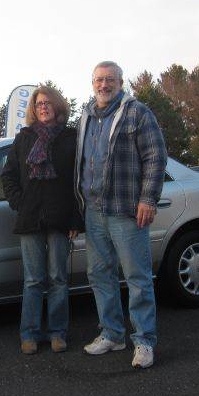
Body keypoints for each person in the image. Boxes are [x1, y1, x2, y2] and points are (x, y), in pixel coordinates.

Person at [75, 61, 167, 369]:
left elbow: (156, 156)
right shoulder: (86, 116)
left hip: (126, 210)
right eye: (99, 79)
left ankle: (144, 341)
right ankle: (113, 334)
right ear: (92, 83)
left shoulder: (137, 112)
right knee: (100, 274)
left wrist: (148, 198)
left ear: (120, 82)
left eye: (109, 79)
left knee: (137, 278)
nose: (104, 84)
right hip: (94, 211)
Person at [2, 84, 83, 355]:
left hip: (61, 219)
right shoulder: (24, 138)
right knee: (34, 280)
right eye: (38, 104)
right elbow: (9, 175)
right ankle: (30, 334)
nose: (43, 107)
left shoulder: (71, 137)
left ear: (57, 106)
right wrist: (19, 202)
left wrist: (75, 219)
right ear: (33, 109)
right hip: (30, 218)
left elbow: (77, 181)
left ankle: (58, 333)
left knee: (58, 278)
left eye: (47, 103)